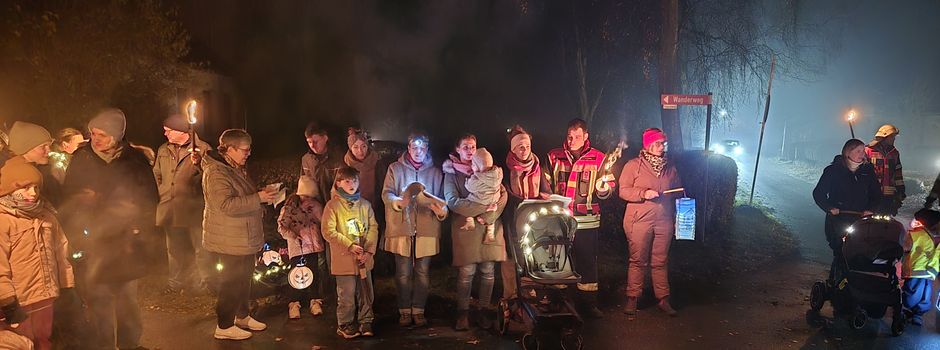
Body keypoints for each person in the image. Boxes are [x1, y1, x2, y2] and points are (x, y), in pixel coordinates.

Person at [61, 108, 158, 349]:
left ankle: (130, 344)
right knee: (99, 300)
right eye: (93, 133)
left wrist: (138, 223)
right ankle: (103, 345)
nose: (95, 138)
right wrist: (82, 203)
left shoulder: (135, 160)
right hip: (94, 242)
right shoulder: (81, 159)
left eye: (102, 134)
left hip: (126, 243)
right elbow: (68, 197)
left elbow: (149, 198)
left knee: (127, 299)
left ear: (116, 136)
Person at [202, 129, 277, 340]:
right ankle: (224, 325)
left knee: (244, 279)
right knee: (231, 281)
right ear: (230, 149)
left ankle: (242, 316)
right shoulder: (217, 172)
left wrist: (261, 196)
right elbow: (225, 205)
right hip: (229, 237)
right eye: (245, 149)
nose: (248, 153)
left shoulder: (234, 167)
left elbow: (241, 195)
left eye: (249, 149)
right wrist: (257, 198)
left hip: (242, 236)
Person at [0, 159, 74, 350]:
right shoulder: (4, 220)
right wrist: (8, 302)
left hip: (44, 296)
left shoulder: (46, 216)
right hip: (18, 300)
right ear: (9, 189)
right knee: (20, 344)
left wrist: (67, 287)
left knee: (43, 340)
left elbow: (61, 252)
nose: (32, 193)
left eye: (35, 187)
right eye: (25, 188)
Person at [546, 118, 615, 318]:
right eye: (569, 136)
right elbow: (545, 183)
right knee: (557, 259)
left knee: (587, 262)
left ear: (586, 136)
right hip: (558, 220)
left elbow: (609, 186)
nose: (572, 140)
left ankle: (588, 304)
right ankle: (557, 301)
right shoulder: (553, 156)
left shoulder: (599, 158)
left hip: (587, 221)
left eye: (577, 136)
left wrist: (603, 189)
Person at [382, 132, 447, 328]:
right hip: (402, 226)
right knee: (402, 272)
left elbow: (444, 199)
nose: (418, 151)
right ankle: (403, 310)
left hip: (427, 227)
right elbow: (386, 193)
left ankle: (418, 310)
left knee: (422, 272)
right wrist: (398, 202)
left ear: (427, 149)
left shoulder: (436, 172)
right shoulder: (394, 168)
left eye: (422, 148)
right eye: (414, 147)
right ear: (408, 148)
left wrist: (440, 210)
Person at [442, 135, 507, 331]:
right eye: (465, 147)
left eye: (473, 147)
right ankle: (463, 313)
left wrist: (488, 217)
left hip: (489, 225)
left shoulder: (488, 170)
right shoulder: (452, 173)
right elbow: (452, 201)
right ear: (458, 150)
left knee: (488, 271)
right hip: (465, 227)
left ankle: (484, 311)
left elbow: (502, 195)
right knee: (467, 272)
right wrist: (480, 209)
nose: (470, 150)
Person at [618, 128, 683, 317]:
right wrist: (643, 193)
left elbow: (677, 188)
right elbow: (623, 190)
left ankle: (663, 298)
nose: (661, 147)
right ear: (648, 145)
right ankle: (632, 297)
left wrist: (679, 193)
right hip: (638, 220)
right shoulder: (633, 166)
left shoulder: (670, 167)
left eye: (663, 143)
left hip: (664, 219)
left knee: (660, 260)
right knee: (638, 260)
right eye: (657, 143)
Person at [812, 139, 880, 313]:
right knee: (841, 251)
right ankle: (837, 285)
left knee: (861, 254)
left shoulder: (867, 172)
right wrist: (829, 208)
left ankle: (858, 287)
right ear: (847, 152)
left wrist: (870, 209)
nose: (862, 154)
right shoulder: (833, 171)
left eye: (862, 151)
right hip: (839, 220)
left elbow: (876, 195)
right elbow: (819, 193)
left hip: (861, 221)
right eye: (858, 151)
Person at [154, 114, 212, 295]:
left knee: (201, 247)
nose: (165, 134)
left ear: (180, 131)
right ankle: (175, 283)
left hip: (193, 207)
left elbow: (211, 175)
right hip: (169, 207)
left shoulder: (202, 149)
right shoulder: (164, 149)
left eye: (168, 130)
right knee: (174, 248)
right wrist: (161, 190)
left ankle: (205, 282)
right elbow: (156, 173)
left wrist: (199, 164)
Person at [322, 166, 378, 339]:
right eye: (347, 181)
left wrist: (368, 250)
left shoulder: (365, 205)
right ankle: (345, 323)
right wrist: (349, 245)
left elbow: (373, 227)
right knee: (346, 293)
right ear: (338, 183)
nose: (351, 184)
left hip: (363, 259)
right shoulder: (332, 206)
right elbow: (328, 231)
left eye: (354, 180)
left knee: (366, 291)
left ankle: (365, 320)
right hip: (344, 259)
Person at [500, 125, 551, 304]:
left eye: (527, 146)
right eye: (520, 147)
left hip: (535, 218)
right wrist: (519, 201)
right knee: (511, 254)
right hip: (513, 217)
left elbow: (545, 188)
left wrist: (548, 197)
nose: (524, 150)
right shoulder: (506, 168)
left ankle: (530, 289)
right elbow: (505, 191)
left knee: (533, 251)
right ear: (513, 149)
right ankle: (511, 294)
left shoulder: (538, 166)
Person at [277, 175, 328, 319]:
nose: (307, 198)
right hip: (297, 247)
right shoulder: (289, 207)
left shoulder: (316, 206)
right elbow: (281, 226)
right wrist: (292, 235)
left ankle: (314, 300)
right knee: (296, 274)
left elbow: (323, 222)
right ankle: (295, 302)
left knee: (313, 273)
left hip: (313, 246)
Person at [900, 209, 940, 326]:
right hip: (922, 272)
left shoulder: (916, 234)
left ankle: (912, 312)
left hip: (921, 272)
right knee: (920, 294)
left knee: (917, 294)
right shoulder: (921, 235)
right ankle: (914, 313)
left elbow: (904, 247)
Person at [459, 148, 503, 243]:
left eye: (473, 165)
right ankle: (490, 234)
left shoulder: (477, 179)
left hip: (481, 200)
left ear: (478, 166)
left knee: (467, 202)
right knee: (492, 219)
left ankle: (470, 222)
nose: (472, 166)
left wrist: (468, 180)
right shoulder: (498, 173)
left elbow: (469, 187)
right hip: (494, 199)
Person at [865, 124, 905, 216]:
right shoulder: (867, 151)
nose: (894, 139)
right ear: (884, 137)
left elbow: (898, 173)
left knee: (886, 222)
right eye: (892, 137)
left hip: (889, 196)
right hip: (872, 194)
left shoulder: (894, 153)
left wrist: (901, 190)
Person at [302, 123, 344, 207]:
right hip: (316, 207)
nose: (312, 146)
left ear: (325, 138)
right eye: (309, 142)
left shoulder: (338, 157)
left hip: (336, 206)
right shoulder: (306, 160)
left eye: (315, 141)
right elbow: (304, 184)